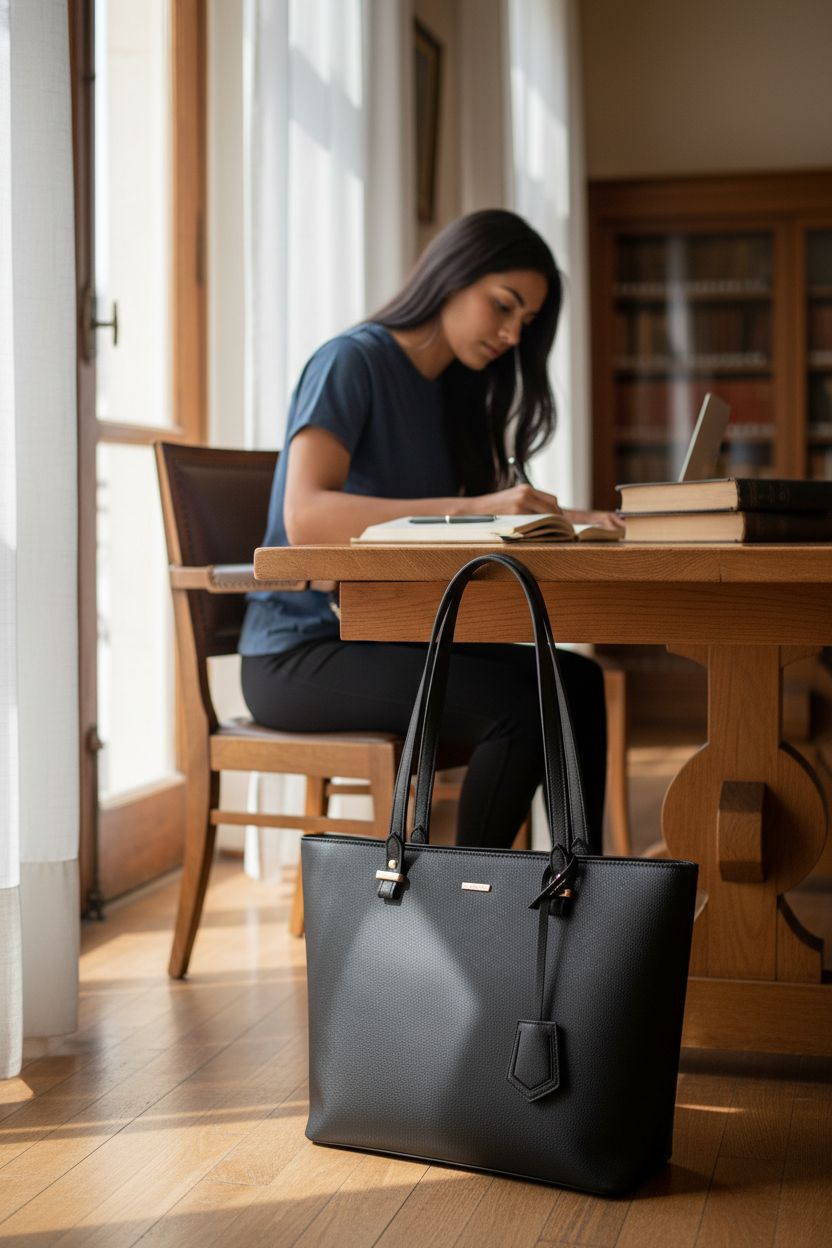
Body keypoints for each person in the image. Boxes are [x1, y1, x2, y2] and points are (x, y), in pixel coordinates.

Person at [240, 209, 619, 854]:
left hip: (391, 635)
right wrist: (477, 510)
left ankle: (581, 892)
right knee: (521, 710)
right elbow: (305, 518)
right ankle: (473, 913)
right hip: (301, 651)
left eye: (524, 323)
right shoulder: (350, 363)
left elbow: (448, 527)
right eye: (503, 306)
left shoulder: (451, 394)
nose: (509, 333)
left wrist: (564, 522)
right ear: (453, 274)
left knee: (576, 683)